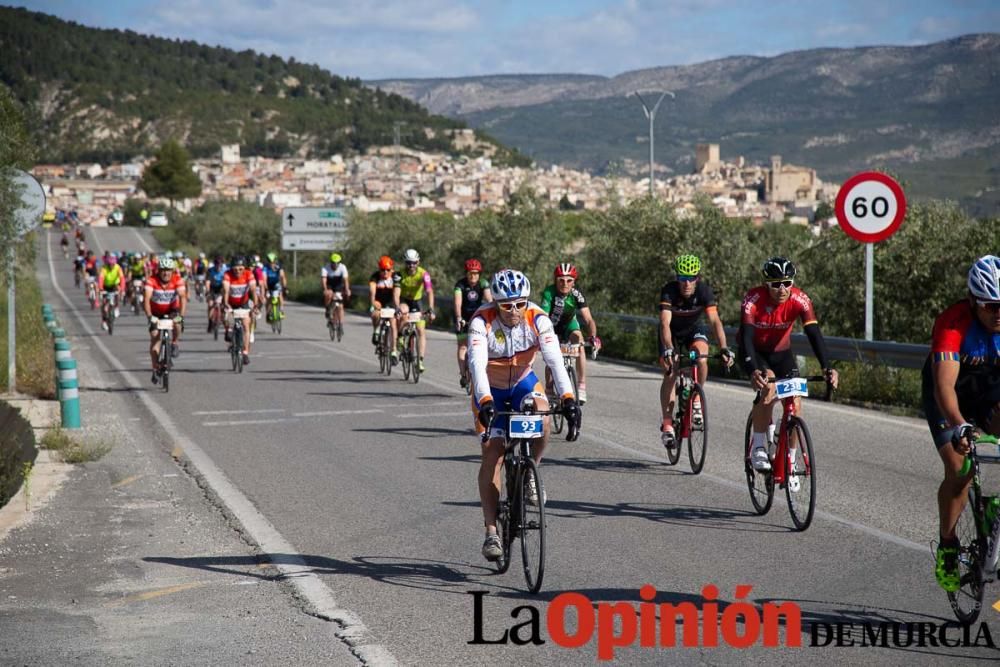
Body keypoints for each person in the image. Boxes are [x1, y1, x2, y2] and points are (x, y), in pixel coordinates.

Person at [469, 269, 581, 562]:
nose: (514, 311)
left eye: (520, 304)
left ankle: (532, 470)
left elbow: (555, 360)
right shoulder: (482, 321)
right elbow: (477, 365)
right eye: (507, 305)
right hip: (490, 389)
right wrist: (485, 400)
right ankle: (491, 531)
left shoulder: (538, 318)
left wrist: (569, 398)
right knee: (493, 454)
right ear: (496, 303)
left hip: (522, 383)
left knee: (544, 415)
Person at [927, 255, 1000, 592]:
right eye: (991, 306)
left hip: (988, 390)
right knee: (960, 468)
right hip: (949, 394)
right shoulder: (953, 323)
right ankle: (948, 545)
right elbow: (944, 385)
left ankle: (991, 513)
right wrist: (959, 425)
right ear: (972, 301)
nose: (998, 314)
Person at [739, 257, 839, 487]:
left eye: (787, 282)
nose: (782, 289)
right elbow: (745, 338)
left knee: (794, 401)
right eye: (776, 284)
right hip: (756, 352)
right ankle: (760, 446)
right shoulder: (753, 300)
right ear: (766, 284)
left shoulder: (800, 299)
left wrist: (827, 367)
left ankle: (791, 462)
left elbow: (814, 333)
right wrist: (753, 368)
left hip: (782, 354)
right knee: (769, 387)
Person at [657, 254, 735, 450]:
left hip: (693, 330)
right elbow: (665, 323)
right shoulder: (669, 291)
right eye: (683, 278)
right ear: (677, 278)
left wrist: (724, 347)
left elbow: (715, 321)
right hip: (671, 334)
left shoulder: (704, 291)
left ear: (697, 278)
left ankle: (697, 398)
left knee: (701, 357)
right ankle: (667, 423)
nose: (687, 283)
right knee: (671, 372)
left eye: (691, 278)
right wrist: (668, 348)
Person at [538, 263, 601, 403]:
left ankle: (581, 385)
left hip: (568, 325)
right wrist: (545, 337)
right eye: (561, 280)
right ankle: (549, 389)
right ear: (555, 280)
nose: (565, 284)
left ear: (574, 281)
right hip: (551, 326)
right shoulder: (549, 292)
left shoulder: (577, 295)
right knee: (552, 354)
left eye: (569, 280)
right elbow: (544, 317)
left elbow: (589, 319)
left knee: (579, 343)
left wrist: (594, 337)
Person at [143, 256, 187, 383]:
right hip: (155, 312)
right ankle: (155, 367)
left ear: (172, 271)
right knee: (155, 336)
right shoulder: (152, 281)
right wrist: (150, 317)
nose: (166, 273)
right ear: (159, 270)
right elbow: (146, 300)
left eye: (168, 270)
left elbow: (183, 298)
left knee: (178, 322)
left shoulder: (177, 280)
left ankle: (174, 343)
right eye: (163, 270)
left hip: (172, 311)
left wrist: (182, 316)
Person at [394, 249, 436, 373]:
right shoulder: (399, 274)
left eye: (414, 263)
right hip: (404, 300)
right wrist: (397, 307)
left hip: (417, 303)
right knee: (404, 312)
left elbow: (429, 292)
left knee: (421, 330)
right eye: (408, 263)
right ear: (405, 263)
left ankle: (420, 360)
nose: (411, 265)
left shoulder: (424, 274)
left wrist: (431, 309)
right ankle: (401, 336)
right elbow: (396, 293)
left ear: (418, 262)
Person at [454, 258, 492, 389]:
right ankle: (464, 375)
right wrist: (459, 317)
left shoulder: (483, 283)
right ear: (466, 273)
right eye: (470, 273)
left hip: (478, 317)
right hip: (463, 317)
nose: (473, 276)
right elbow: (458, 303)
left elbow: (489, 299)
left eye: (476, 273)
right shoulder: (460, 285)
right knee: (463, 346)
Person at [223, 256, 260, 365]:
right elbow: (225, 290)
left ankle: (245, 352)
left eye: (240, 269)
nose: (238, 271)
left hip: (243, 303)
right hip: (230, 302)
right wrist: (225, 303)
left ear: (244, 268)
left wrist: (256, 304)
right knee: (226, 317)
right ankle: (229, 330)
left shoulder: (249, 274)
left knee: (246, 325)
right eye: (235, 269)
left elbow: (253, 290)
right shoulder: (227, 274)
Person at [369, 255, 402, 363]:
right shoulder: (375, 276)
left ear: (392, 269)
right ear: (379, 269)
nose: (385, 272)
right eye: (383, 270)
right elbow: (372, 291)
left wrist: (396, 307)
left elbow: (397, 292)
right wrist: (372, 304)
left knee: (393, 324)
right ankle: (376, 330)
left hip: (391, 301)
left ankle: (393, 351)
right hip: (379, 301)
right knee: (375, 313)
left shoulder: (395, 276)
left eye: (388, 270)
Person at [322, 253, 351, 326]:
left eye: (337, 263)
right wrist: (325, 289)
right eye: (333, 263)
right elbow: (324, 280)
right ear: (331, 262)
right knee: (328, 294)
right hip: (329, 285)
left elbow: (345, 280)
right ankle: (328, 309)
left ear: (339, 263)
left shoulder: (343, 267)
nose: (335, 265)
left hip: (338, 286)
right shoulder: (325, 268)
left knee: (340, 305)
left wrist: (347, 289)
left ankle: (340, 323)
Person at [97, 253, 126, 328]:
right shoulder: (104, 268)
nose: (111, 266)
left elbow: (122, 279)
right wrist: (100, 288)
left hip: (114, 285)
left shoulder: (118, 268)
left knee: (118, 292)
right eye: (110, 264)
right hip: (105, 286)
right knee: (103, 304)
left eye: (113, 264)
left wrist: (122, 289)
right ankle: (103, 321)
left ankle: (116, 307)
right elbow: (101, 278)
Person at [262, 252, 288, 319]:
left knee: (280, 295)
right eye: (270, 262)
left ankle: (281, 311)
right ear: (268, 261)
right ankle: (268, 313)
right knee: (268, 298)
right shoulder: (265, 267)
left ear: (275, 260)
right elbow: (264, 279)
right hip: (268, 284)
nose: (272, 263)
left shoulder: (279, 266)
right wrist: (266, 289)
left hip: (276, 283)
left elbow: (283, 276)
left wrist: (285, 287)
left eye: (273, 261)